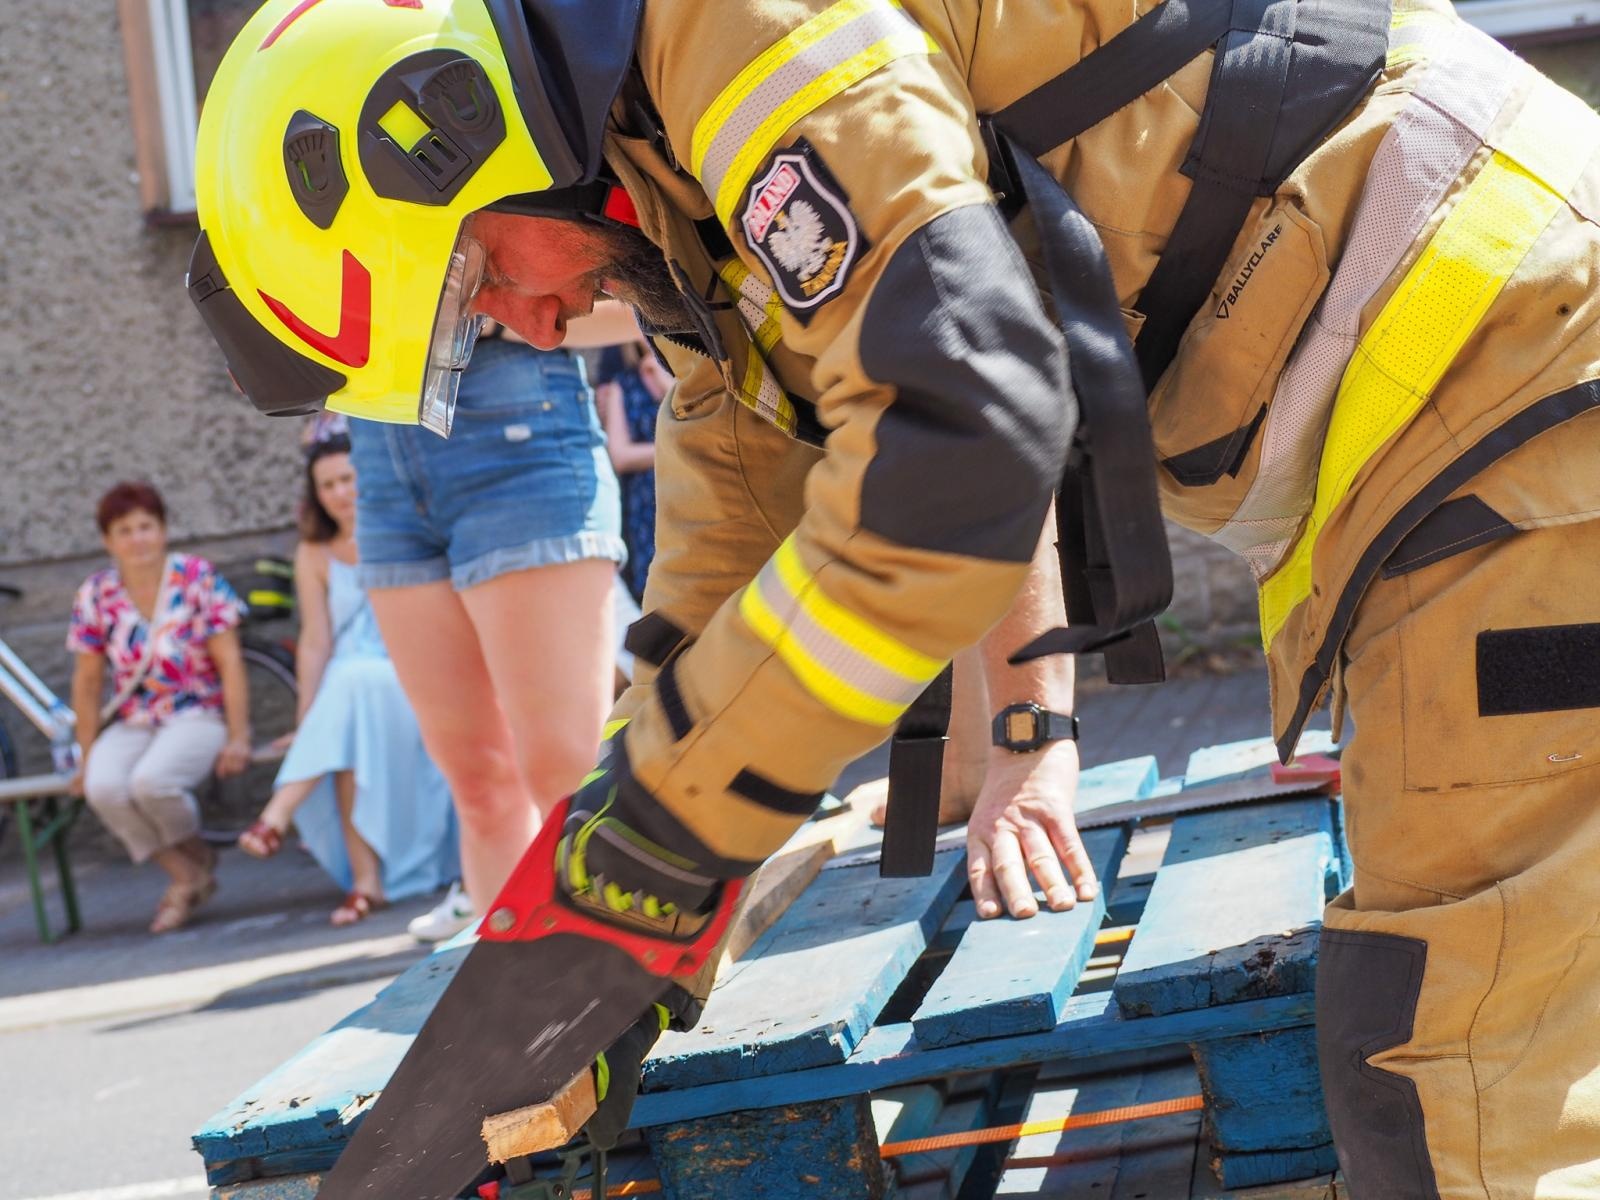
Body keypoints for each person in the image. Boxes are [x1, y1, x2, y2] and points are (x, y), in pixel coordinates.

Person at [190, 1, 1600, 1191]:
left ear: (459, 131)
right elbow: (712, 598)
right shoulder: (693, 207)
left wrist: (656, 852)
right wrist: (611, 956)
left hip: (1516, 364)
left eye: (477, 279)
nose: (526, 325)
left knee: (1444, 1071)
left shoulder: (739, 29)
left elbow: (956, 430)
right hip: (1458, 427)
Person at [345, 316, 628, 941]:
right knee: (478, 782)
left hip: (518, 435)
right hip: (379, 442)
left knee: (565, 773)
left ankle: (613, 988)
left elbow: (650, 287)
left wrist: (498, 303)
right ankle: (527, 992)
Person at [237, 434, 459, 926]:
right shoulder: (314, 553)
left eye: (347, 479)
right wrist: (307, 722)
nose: (340, 493)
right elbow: (315, 641)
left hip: (410, 674)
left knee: (353, 682)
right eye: (327, 485)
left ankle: (281, 817)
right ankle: (366, 882)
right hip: (353, 685)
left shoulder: (407, 526)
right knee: (350, 697)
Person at [68, 481, 250, 933]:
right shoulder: (96, 593)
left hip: (197, 712)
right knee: (104, 786)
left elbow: (229, 662)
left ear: (164, 530)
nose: (137, 538)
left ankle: (193, 861)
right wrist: (86, 753)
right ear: (108, 541)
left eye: (146, 526)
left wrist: (240, 734)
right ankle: (187, 871)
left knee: (153, 782)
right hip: (134, 720)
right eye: (124, 530)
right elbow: (87, 682)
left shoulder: (195, 577)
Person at [594, 342, 664, 603]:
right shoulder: (622, 384)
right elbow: (620, 455)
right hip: (645, 504)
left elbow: (702, 431)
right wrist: (674, 449)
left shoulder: (684, 378)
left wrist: (664, 383)